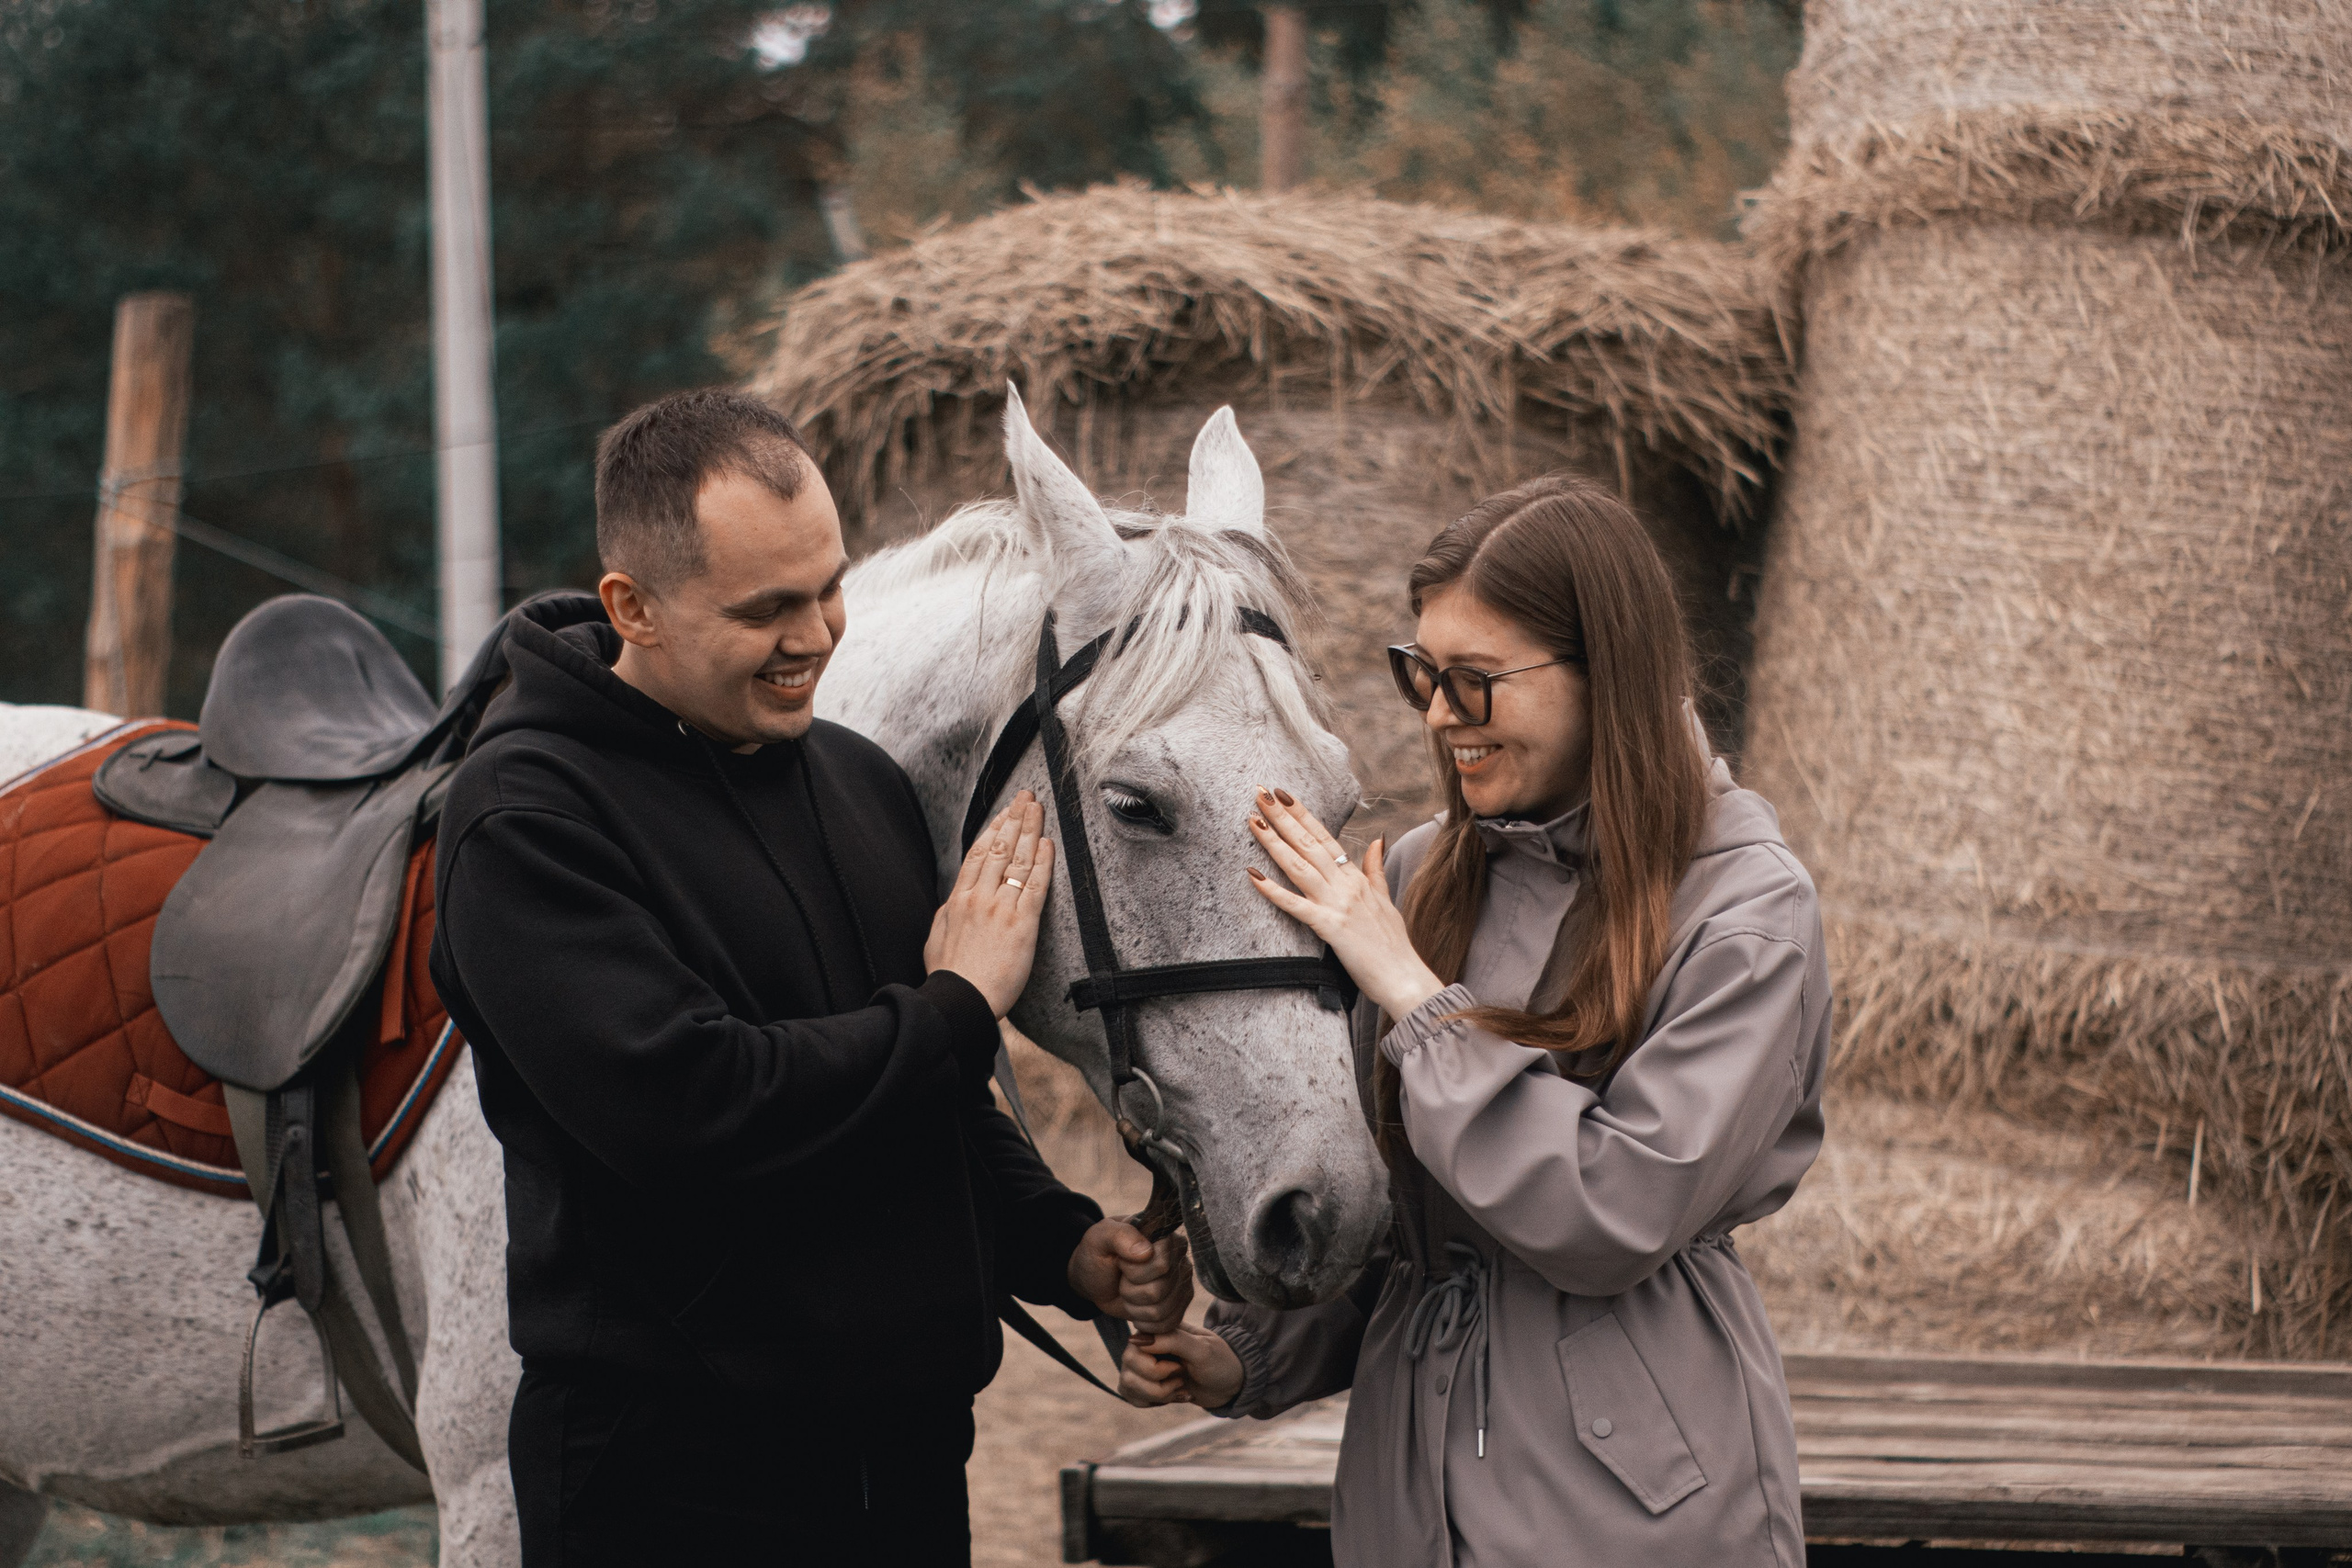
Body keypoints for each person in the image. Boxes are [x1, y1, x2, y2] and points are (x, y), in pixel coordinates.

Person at [428, 389, 1189, 1566]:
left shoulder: (855, 780)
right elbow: (694, 1104)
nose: (819, 634)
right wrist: (954, 1004)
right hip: (672, 1490)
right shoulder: (524, 817)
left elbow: (926, 1101)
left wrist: (1059, 1244)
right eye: (766, 609)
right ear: (631, 606)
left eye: (829, 586)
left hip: (906, 1466)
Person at [1119, 472, 1830, 1565]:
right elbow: (1412, 1222)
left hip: (1636, 1513)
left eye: (1475, 681)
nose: (1440, 717)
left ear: (1608, 674)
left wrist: (1413, 994)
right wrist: (1249, 1357)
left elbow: (1614, 1213)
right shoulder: (1419, 876)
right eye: (1422, 675)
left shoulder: (1747, 912)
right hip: (1407, 1494)